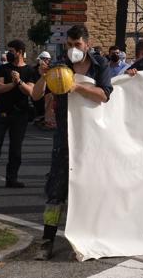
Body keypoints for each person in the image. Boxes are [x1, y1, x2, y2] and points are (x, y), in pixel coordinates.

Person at [31, 25, 112, 261]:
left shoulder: (100, 65)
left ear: (87, 43)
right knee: (55, 191)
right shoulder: (59, 65)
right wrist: (44, 76)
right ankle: (47, 240)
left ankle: (87, 239)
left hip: (92, 138)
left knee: (91, 189)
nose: (73, 49)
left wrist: (76, 86)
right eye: (69, 45)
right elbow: (36, 96)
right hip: (64, 138)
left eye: (77, 45)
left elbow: (105, 94)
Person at [0, 40, 38, 189]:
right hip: (2, 112)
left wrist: (19, 81)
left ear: (19, 52)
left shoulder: (29, 71)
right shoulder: (3, 69)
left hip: (20, 114)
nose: (9, 53)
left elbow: (31, 91)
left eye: (11, 51)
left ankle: (11, 179)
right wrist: (13, 84)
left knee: (16, 149)